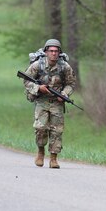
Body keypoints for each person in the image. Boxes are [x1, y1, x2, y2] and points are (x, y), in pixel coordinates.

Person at [23, 39, 76, 168]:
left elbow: (71, 84)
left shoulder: (65, 67)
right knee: (40, 128)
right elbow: (26, 80)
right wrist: (38, 88)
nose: (54, 54)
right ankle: (40, 152)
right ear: (46, 51)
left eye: (56, 51)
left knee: (56, 131)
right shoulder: (37, 65)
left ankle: (53, 158)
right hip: (41, 101)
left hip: (56, 103)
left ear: (59, 52)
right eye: (51, 51)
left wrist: (64, 94)